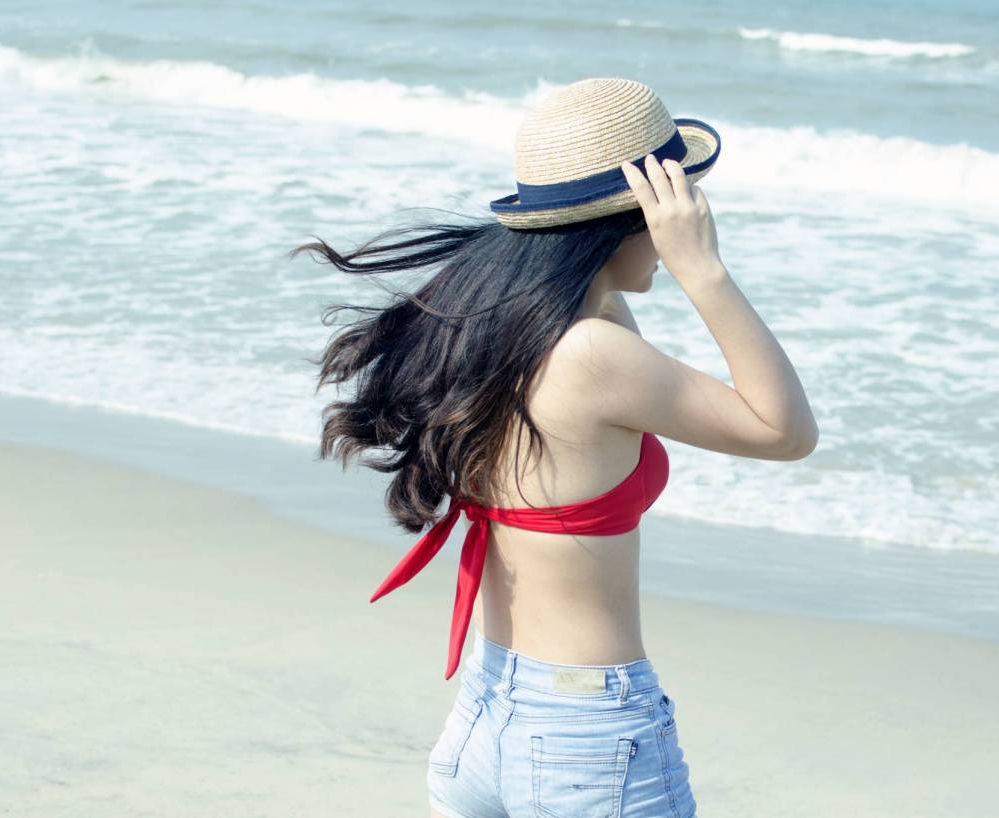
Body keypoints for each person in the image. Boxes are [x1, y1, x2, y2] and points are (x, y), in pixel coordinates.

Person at [293, 77, 816, 818]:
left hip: (485, 719)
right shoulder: (595, 358)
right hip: (585, 742)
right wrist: (704, 269)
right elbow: (785, 431)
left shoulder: (487, 325)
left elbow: (600, 303)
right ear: (632, 218)